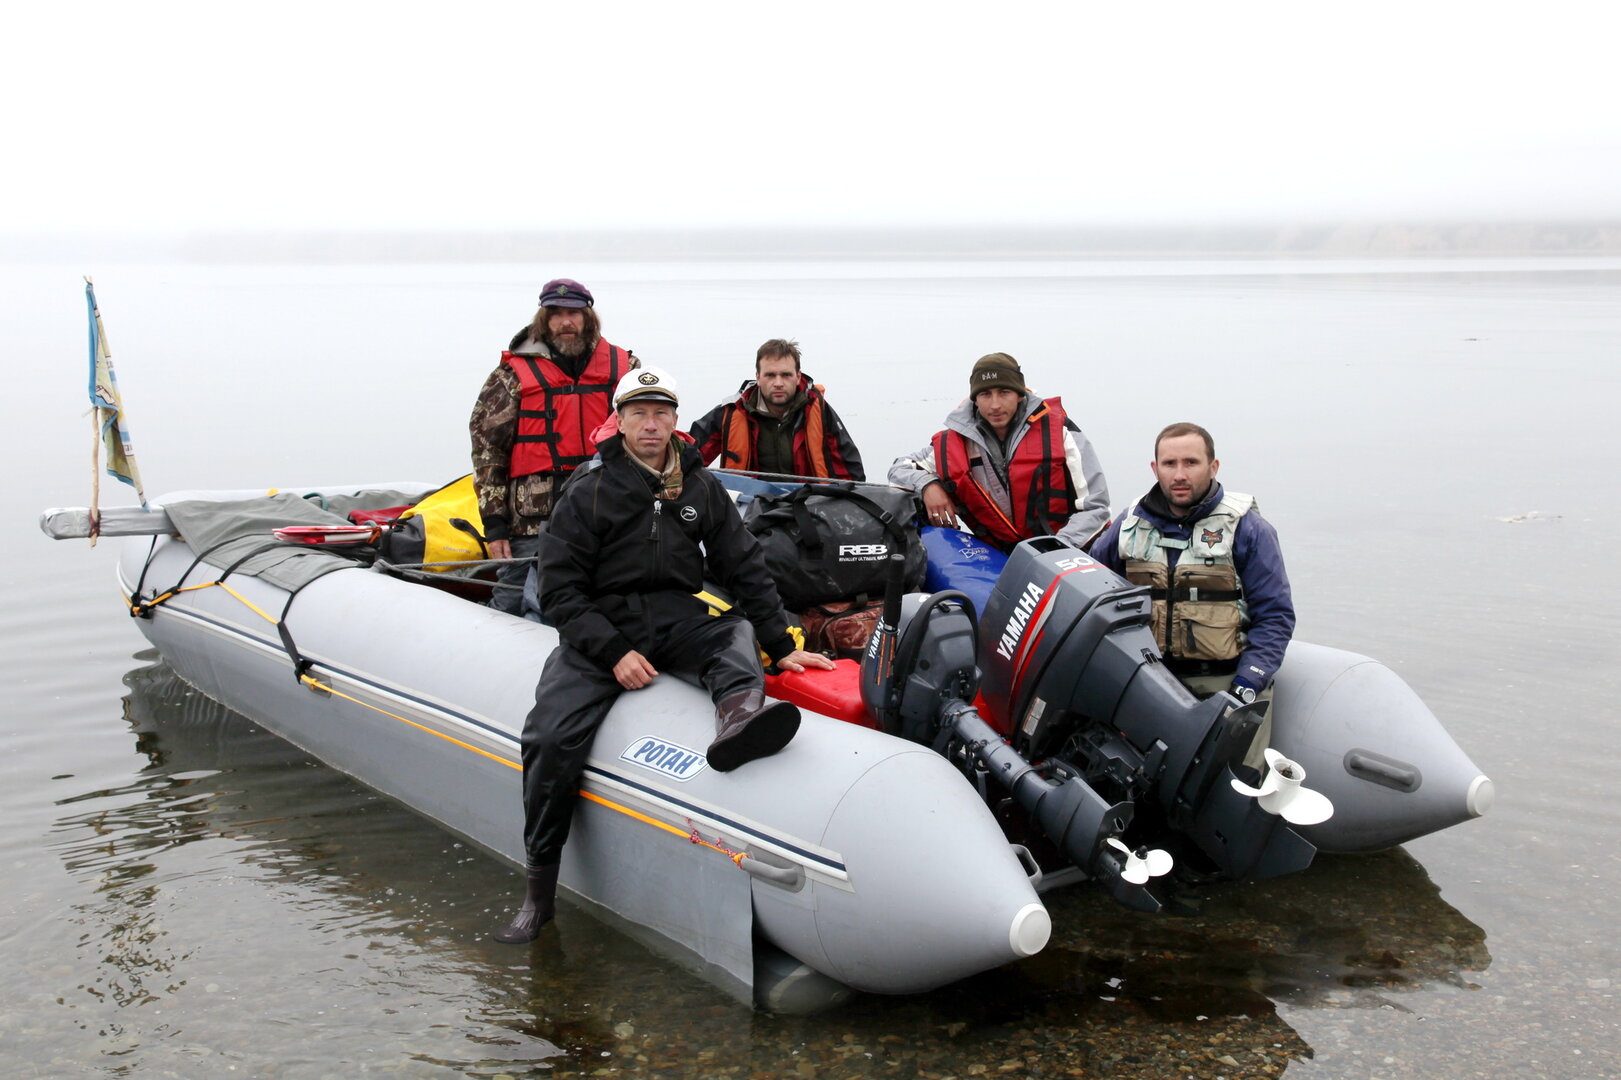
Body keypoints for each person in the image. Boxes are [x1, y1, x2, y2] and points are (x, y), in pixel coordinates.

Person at [494, 366, 837, 944]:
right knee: (549, 738)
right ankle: (538, 893)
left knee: (732, 633)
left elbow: (743, 564)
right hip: (602, 624)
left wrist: (780, 645)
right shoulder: (590, 488)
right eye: (638, 414)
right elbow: (559, 591)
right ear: (620, 421)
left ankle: (739, 718)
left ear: (676, 420)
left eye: (660, 413)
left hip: (676, 614)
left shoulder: (699, 485)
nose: (650, 424)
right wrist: (613, 652)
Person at [1087, 422, 1295, 752]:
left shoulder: (1250, 529)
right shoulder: (1129, 525)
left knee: (1234, 779)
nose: (1179, 475)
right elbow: (1091, 586)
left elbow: (1275, 616)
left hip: (1224, 685)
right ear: (1155, 468)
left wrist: (1248, 682)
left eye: (1191, 463)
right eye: (1169, 464)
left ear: (1213, 466)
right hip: (1148, 681)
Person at [469, 278, 637, 613]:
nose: (565, 321)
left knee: (609, 591)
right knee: (512, 593)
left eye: (573, 313)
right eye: (556, 314)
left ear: (588, 317)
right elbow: (488, 452)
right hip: (532, 516)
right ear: (543, 319)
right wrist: (495, 524)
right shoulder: (511, 375)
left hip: (604, 509)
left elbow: (649, 437)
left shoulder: (625, 369)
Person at [888, 352, 1109, 551]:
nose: (995, 405)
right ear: (975, 399)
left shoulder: (1060, 432)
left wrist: (1058, 549)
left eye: (1004, 392)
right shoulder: (952, 444)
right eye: (985, 394)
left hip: (1065, 551)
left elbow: (1095, 507)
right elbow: (899, 469)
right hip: (997, 559)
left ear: (1020, 394)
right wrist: (928, 485)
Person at [688, 338, 865, 480]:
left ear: (798, 377)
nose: (778, 383)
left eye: (786, 375)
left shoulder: (818, 410)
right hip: (748, 505)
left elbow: (851, 474)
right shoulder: (732, 412)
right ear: (758, 377)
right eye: (770, 375)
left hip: (808, 505)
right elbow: (687, 455)